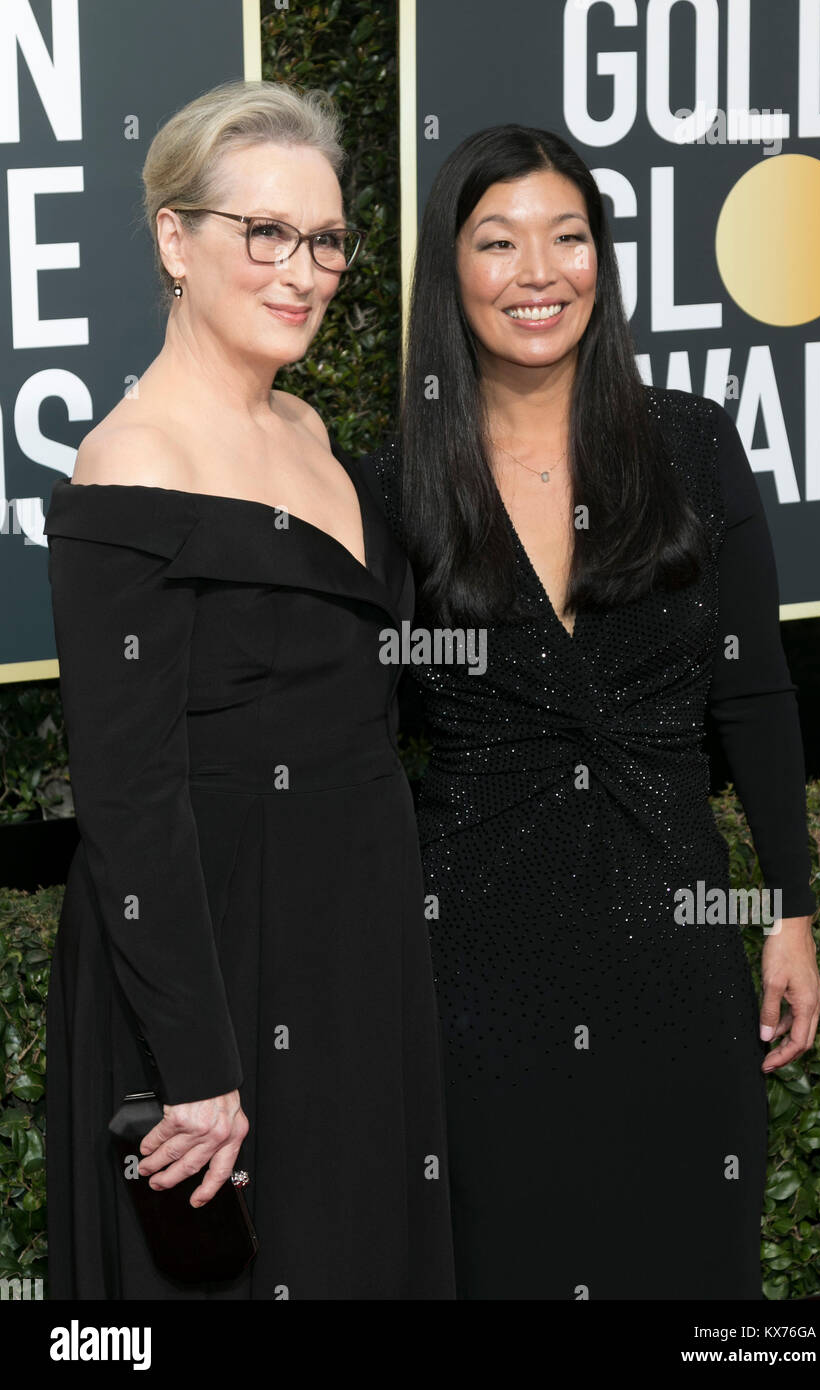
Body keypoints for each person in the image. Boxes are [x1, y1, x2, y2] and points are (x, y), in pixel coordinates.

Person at [365, 124, 820, 1300]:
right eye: (498, 240)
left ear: (602, 260)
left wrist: (783, 908)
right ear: (449, 270)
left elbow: (755, 692)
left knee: (688, 1261)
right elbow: (357, 743)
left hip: (674, 940)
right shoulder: (394, 484)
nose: (538, 272)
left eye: (567, 237)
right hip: (472, 966)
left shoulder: (688, 443)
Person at [43, 79, 455, 1300]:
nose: (304, 271)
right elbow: (126, 798)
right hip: (215, 961)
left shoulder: (313, 432)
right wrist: (195, 1064)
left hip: (353, 935)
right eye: (262, 233)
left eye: (324, 239)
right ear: (175, 238)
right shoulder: (128, 467)